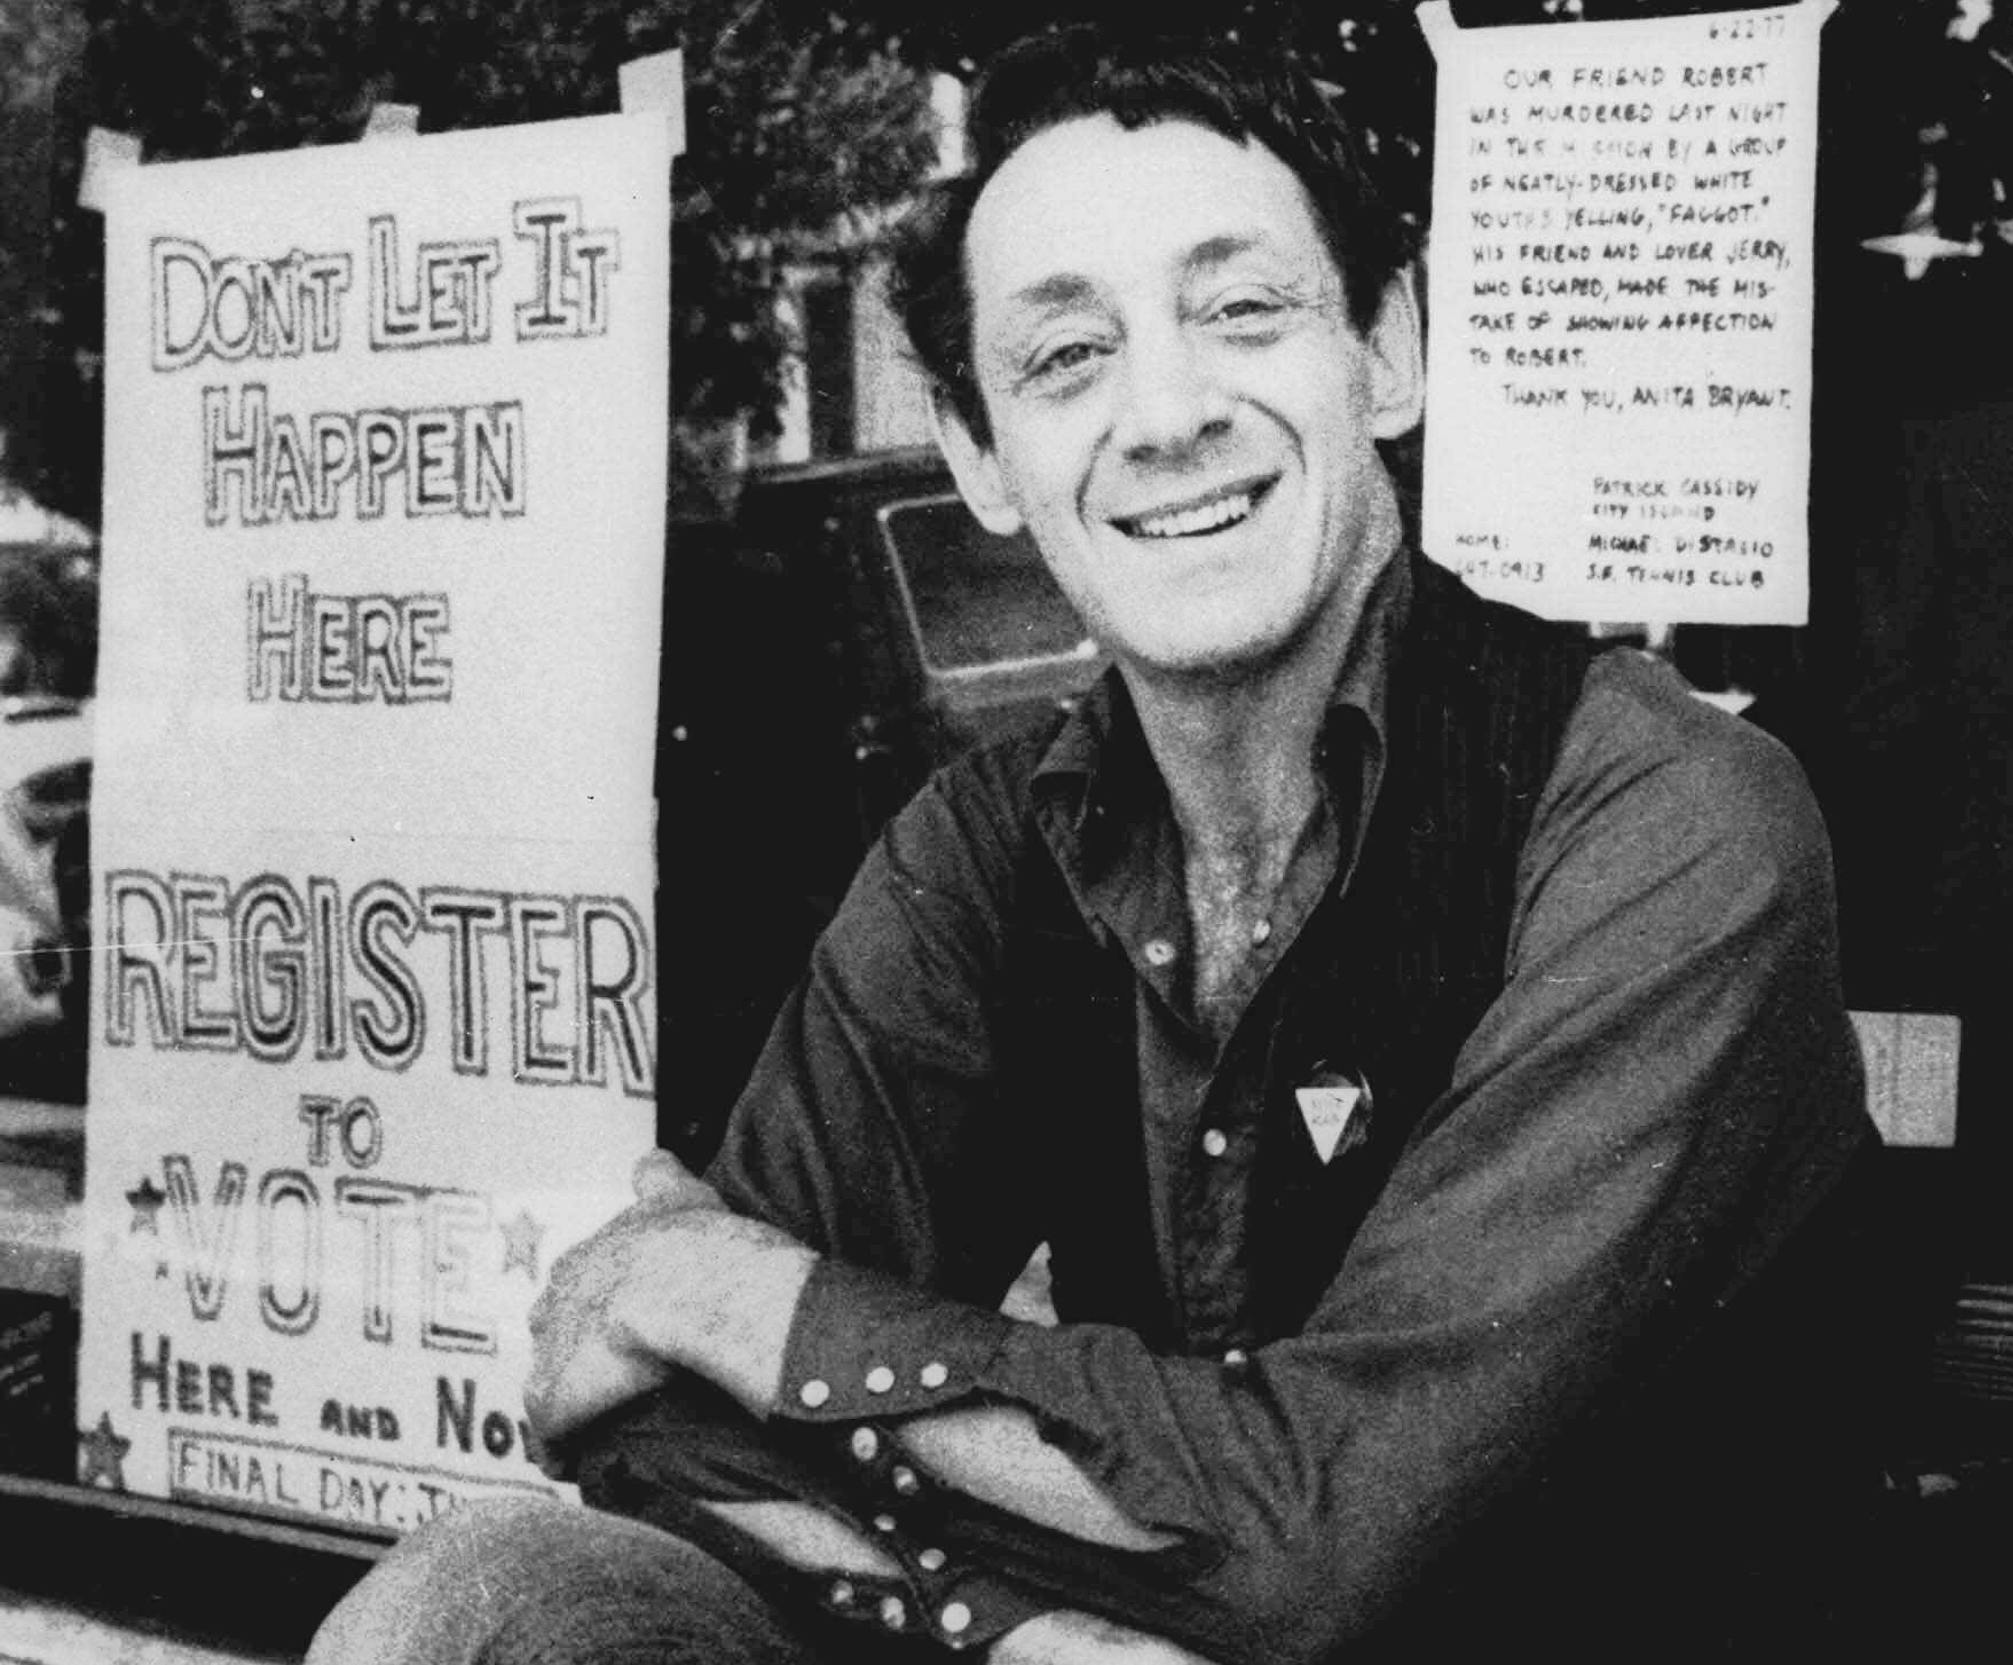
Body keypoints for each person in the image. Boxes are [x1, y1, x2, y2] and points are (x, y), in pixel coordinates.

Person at [310, 22, 1889, 1665]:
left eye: (1242, 310)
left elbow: (1320, 1539)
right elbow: (648, 1432)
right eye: (1066, 356)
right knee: (478, 1606)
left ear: (1391, 350)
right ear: (985, 452)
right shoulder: (994, 847)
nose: (1164, 413)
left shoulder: (1661, 820)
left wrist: (727, 1293)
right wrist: (1010, 1623)